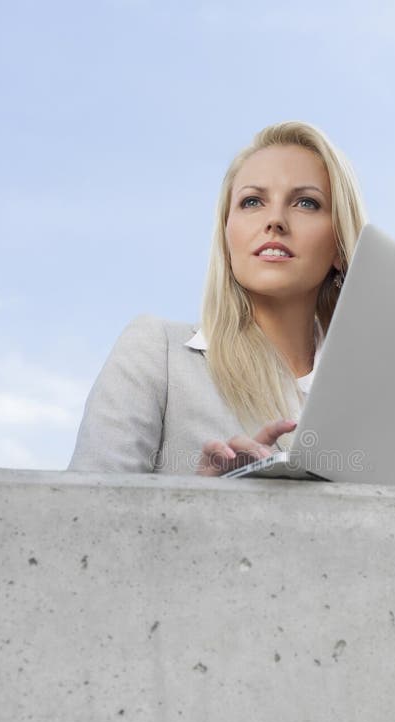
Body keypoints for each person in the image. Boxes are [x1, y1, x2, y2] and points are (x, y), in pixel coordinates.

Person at [68, 121, 366, 477]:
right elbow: (83, 520)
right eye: (252, 201)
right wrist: (203, 502)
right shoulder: (157, 353)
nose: (275, 220)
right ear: (227, 234)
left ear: (340, 244)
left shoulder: (373, 397)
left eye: (306, 202)